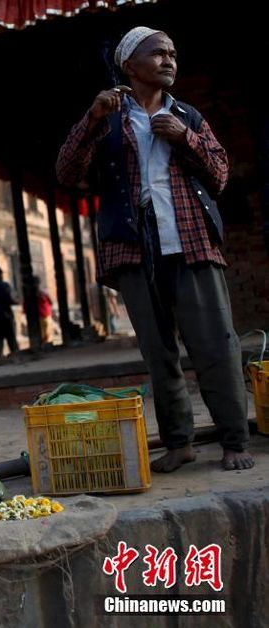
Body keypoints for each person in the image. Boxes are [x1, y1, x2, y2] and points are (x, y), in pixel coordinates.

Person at [56, 26, 253, 471]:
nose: (169, 61)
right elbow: (68, 173)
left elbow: (220, 176)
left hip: (191, 242)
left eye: (173, 55)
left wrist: (187, 138)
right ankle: (179, 443)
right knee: (158, 353)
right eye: (158, 53)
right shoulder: (107, 116)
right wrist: (90, 120)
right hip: (133, 250)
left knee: (216, 346)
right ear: (130, 65)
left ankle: (234, 440)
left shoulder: (188, 115)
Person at [0, 267, 19, 357]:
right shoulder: (4, 285)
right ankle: (15, 356)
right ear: (0, 275)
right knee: (11, 339)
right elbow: (10, 299)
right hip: (6, 316)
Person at [32, 276, 54, 345]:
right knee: (44, 332)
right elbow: (51, 302)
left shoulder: (43, 293)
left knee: (47, 332)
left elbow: (50, 302)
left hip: (45, 314)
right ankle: (45, 344)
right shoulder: (34, 294)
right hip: (40, 315)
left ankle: (47, 344)